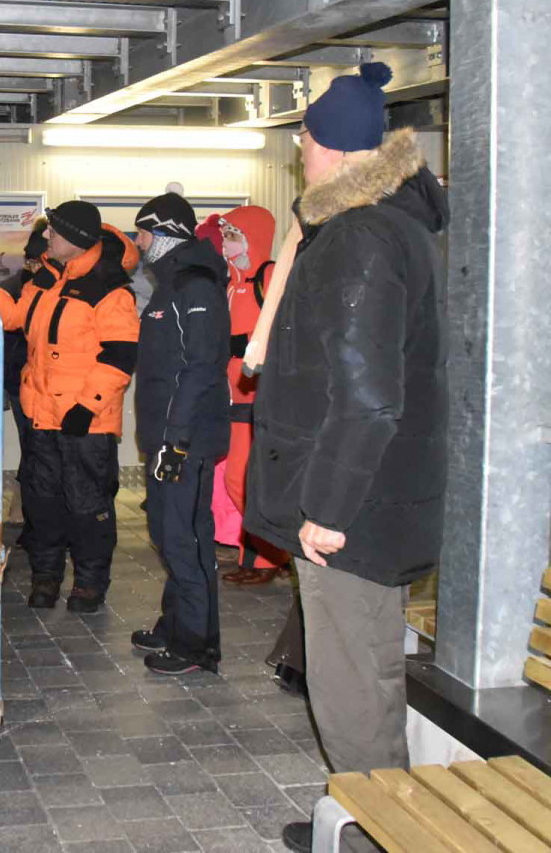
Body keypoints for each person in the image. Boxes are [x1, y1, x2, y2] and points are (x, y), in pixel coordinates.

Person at [242, 64, 448, 853]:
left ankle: (375, 835)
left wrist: (324, 509)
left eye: (304, 132)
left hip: (353, 509)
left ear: (325, 146)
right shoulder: (388, 225)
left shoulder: (360, 238)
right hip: (374, 499)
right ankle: (366, 813)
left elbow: (367, 397)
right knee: (360, 669)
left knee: (352, 679)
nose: (297, 144)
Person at [0, 201, 139, 613]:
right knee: (43, 504)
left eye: (53, 232)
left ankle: (89, 583)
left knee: (88, 505)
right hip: (41, 417)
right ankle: (46, 578)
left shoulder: (110, 288)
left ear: (72, 237)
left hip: (84, 422)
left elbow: (120, 356)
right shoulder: (47, 279)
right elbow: (15, 317)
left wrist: (86, 407)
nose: (46, 237)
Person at [129, 193, 230, 675]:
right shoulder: (170, 285)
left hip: (184, 441)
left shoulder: (195, 286)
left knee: (185, 538)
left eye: (144, 233)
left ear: (165, 233)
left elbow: (201, 368)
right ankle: (175, 626)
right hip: (165, 437)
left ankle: (196, 645)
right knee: (170, 535)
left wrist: (177, 440)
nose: (138, 242)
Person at [215, 205, 290, 585]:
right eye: (225, 237)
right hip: (232, 397)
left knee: (243, 480)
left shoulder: (270, 276)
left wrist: (238, 344)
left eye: (233, 236)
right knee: (237, 480)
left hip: (259, 397)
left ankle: (267, 558)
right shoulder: (231, 285)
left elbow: (285, 331)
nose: (226, 245)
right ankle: (264, 556)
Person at [0, 218, 48, 536]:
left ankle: (30, 510)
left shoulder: (23, 287)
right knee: (34, 446)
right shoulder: (16, 288)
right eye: (29, 259)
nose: (32, 265)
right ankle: (29, 511)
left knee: (37, 447)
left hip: (38, 380)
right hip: (21, 382)